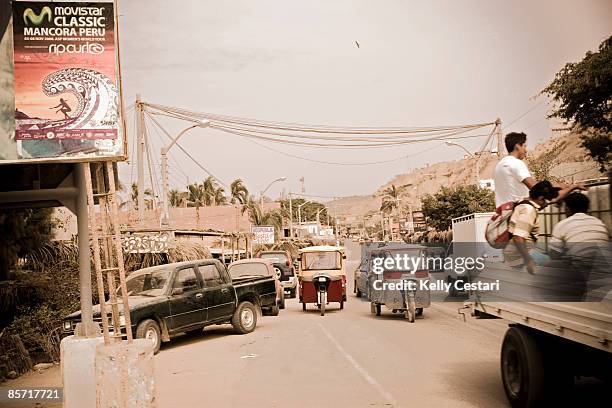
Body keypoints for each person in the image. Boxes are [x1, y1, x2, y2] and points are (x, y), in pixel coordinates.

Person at [493, 132, 583, 208]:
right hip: (518, 214)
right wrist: (563, 186)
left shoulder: (499, 166)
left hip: (502, 215)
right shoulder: (516, 163)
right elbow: (536, 188)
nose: (526, 150)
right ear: (517, 146)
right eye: (524, 146)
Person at [503, 180, 560, 274]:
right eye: (547, 201)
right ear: (541, 198)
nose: (547, 205)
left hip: (512, 254)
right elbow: (518, 237)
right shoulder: (528, 210)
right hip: (518, 257)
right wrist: (529, 260)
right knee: (557, 267)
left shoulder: (522, 202)